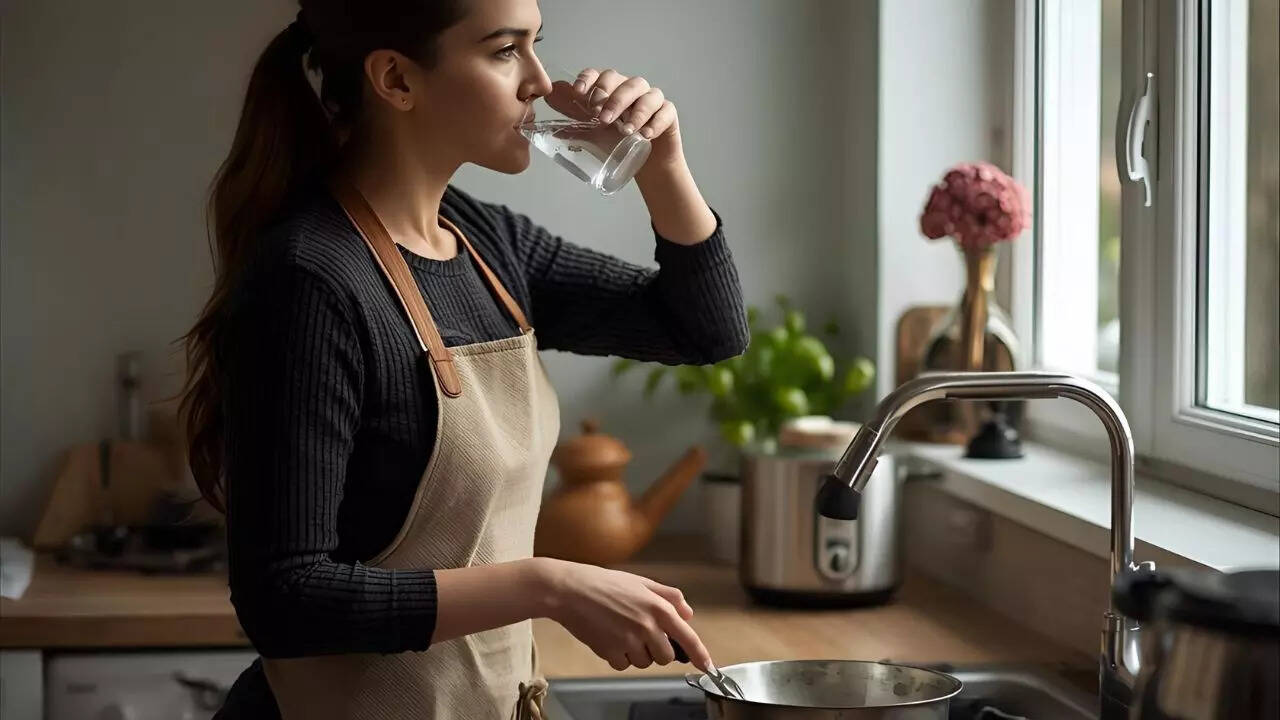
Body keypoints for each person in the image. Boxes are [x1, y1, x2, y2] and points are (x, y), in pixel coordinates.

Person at [177, 0, 748, 717]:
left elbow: (704, 330)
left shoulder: (484, 242)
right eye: (506, 50)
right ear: (396, 79)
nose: (540, 81)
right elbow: (285, 601)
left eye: (538, 45)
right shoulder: (312, 279)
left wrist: (663, 165)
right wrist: (546, 586)